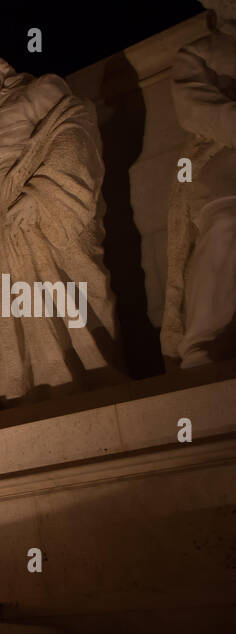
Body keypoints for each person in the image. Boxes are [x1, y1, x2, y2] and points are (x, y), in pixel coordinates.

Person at [0, 53, 121, 420]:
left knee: (55, 289)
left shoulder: (40, 89)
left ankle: (76, 376)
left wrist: (41, 191)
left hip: (33, 200)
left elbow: (75, 128)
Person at [162, 0, 236, 367]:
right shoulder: (199, 52)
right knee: (226, 222)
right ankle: (202, 338)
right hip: (220, 161)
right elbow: (196, 109)